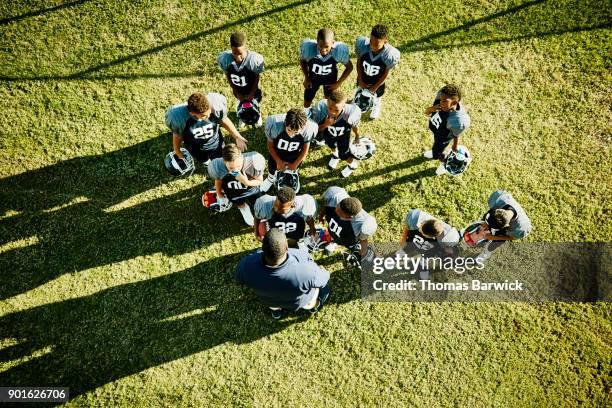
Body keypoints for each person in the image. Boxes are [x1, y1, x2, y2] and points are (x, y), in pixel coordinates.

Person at [235, 228, 331, 320]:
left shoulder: (246, 265)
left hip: (269, 300)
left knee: (273, 304)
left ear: (262, 248)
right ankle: (315, 306)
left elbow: (239, 279)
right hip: (297, 302)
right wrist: (321, 270)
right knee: (311, 300)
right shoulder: (304, 267)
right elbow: (324, 279)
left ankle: (276, 312)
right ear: (286, 247)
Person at [165, 92, 248, 168]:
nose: (208, 117)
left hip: (215, 143)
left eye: (209, 113)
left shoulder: (214, 108)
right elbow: (177, 135)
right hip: (194, 147)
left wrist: (237, 136)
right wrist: (177, 150)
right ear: (192, 113)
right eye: (204, 116)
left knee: (220, 159)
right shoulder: (180, 118)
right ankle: (206, 161)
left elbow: (224, 120)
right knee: (201, 158)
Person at [260, 108, 318, 192]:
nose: (291, 134)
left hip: (294, 154)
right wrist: (278, 161)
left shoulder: (309, 129)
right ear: (285, 122)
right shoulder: (274, 124)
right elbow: (270, 146)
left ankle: (292, 173)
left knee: (294, 166)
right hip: (278, 152)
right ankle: (270, 178)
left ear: (303, 127)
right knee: (272, 165)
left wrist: (295, 164)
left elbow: (305, 150)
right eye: (289, 130)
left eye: (296, 132)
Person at [207, 144, 265, 226]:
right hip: (233, 191)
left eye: (238, 166)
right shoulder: (218, 167)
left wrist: (247, 182)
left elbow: (260, 181)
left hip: (251, 189)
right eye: (231, 168)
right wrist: (219, 194)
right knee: (239, 202)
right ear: (224, 161)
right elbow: (218, 180)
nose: (235, 170)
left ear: (241, 157)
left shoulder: (252, 162)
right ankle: (244, 208)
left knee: (259, 202)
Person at [217, 32, 265, 128]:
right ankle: (242, 116)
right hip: (238, 88)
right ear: (231, 49)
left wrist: (252, 93)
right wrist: (236, 91)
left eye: (240, 53)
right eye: (235, 53)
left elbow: (257, 76)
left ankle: (257, 115)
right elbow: (227, 74)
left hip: (252, 89)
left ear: (245, 48)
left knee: (255, 103)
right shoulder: (225, 59)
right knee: (241, 104)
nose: (238, 57)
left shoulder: (253, 60)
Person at [311, 89, 362, 177]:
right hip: (328, 133)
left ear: (343, 106)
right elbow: (315, 129)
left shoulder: (350, 113)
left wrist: (357, 137)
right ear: (327, 101)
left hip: (343, 136)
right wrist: (326, 124)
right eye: (330, 108)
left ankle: (353, 165)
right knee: (331, 145)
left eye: (336, 110)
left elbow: (355, 126)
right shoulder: (321, 108)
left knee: (344, 155)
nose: (332, 112)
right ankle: (335, 155)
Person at [423, 83, 471, 176]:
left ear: (454, 103)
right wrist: (432, 109)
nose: (440, 102)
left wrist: (455, 145)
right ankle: (435, 152)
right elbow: (426, 112)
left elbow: (456, 134)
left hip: (443, 137)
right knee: (436, 146)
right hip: (437, 130)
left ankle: (443, 164)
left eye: (444, 101)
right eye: (441, 99)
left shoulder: (458, 120)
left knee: (439, 151)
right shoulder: (441, 97)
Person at [354, 24, 400, 120]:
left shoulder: (389, 54)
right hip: (364, 75)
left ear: (385, 42)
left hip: (378, 80)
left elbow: (385, 73)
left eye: (376, 44)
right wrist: (360, 79)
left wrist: (375, 87)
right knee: (359, 90)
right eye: (371, 41)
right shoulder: (362, 45)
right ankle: (357, 101)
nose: (372, 46)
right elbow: (359, 62)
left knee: (378, 95)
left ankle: (376, 104)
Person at [399, 209, 460, 279]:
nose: (420, 229)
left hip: (446, 241)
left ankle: (424, 275)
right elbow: (407, 226)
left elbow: (442, 247)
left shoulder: (444, 241)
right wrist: (403, 238)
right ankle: (423, 274)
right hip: (451, 237)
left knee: (428, 255)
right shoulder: (414, 220)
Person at [299, 28, 353, 108]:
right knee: (307, 98)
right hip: (313, 79)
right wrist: (306, 77)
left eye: (327, 47)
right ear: (317, 41)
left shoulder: (338, 51)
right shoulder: (309, 49)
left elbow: (349, 67)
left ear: (333, 43)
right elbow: (302, 61)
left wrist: (339, 83)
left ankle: (326, 114)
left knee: (330, 100)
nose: (323, 50)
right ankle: (306, 113)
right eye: (321, 46)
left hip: (330, 80)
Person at [320, 186, 377, 260]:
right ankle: (333, 241)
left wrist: (363, 253)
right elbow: (326, 205)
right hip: (334, 230)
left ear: (349, 217)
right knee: (333, 235)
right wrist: (322, 215)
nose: (335, 210)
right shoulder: (335, 196)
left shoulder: (364, 225)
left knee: (351, 244)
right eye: (337, 207)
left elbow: (363, 240)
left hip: (348, 239)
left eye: (339, 212)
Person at [476, 190, 532, 262]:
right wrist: (484, 224)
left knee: (498, 240)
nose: (487, 227)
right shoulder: (498, 197)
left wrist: (494, 237)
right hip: (498, 219)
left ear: (506, 226)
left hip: (511, 228)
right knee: (483, 229)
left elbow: (512, 237)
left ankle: (486, 252)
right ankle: (481, 240)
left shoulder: (521, 228)